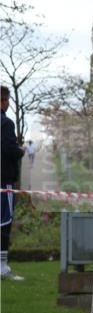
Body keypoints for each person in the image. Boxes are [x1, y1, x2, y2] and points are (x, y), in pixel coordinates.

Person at [1, 86, 25, 281]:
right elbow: (9, 149)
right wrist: (22, 150)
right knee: (4, 222)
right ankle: (2, 267)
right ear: (4, 101)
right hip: (4, 181)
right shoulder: (6, 123)